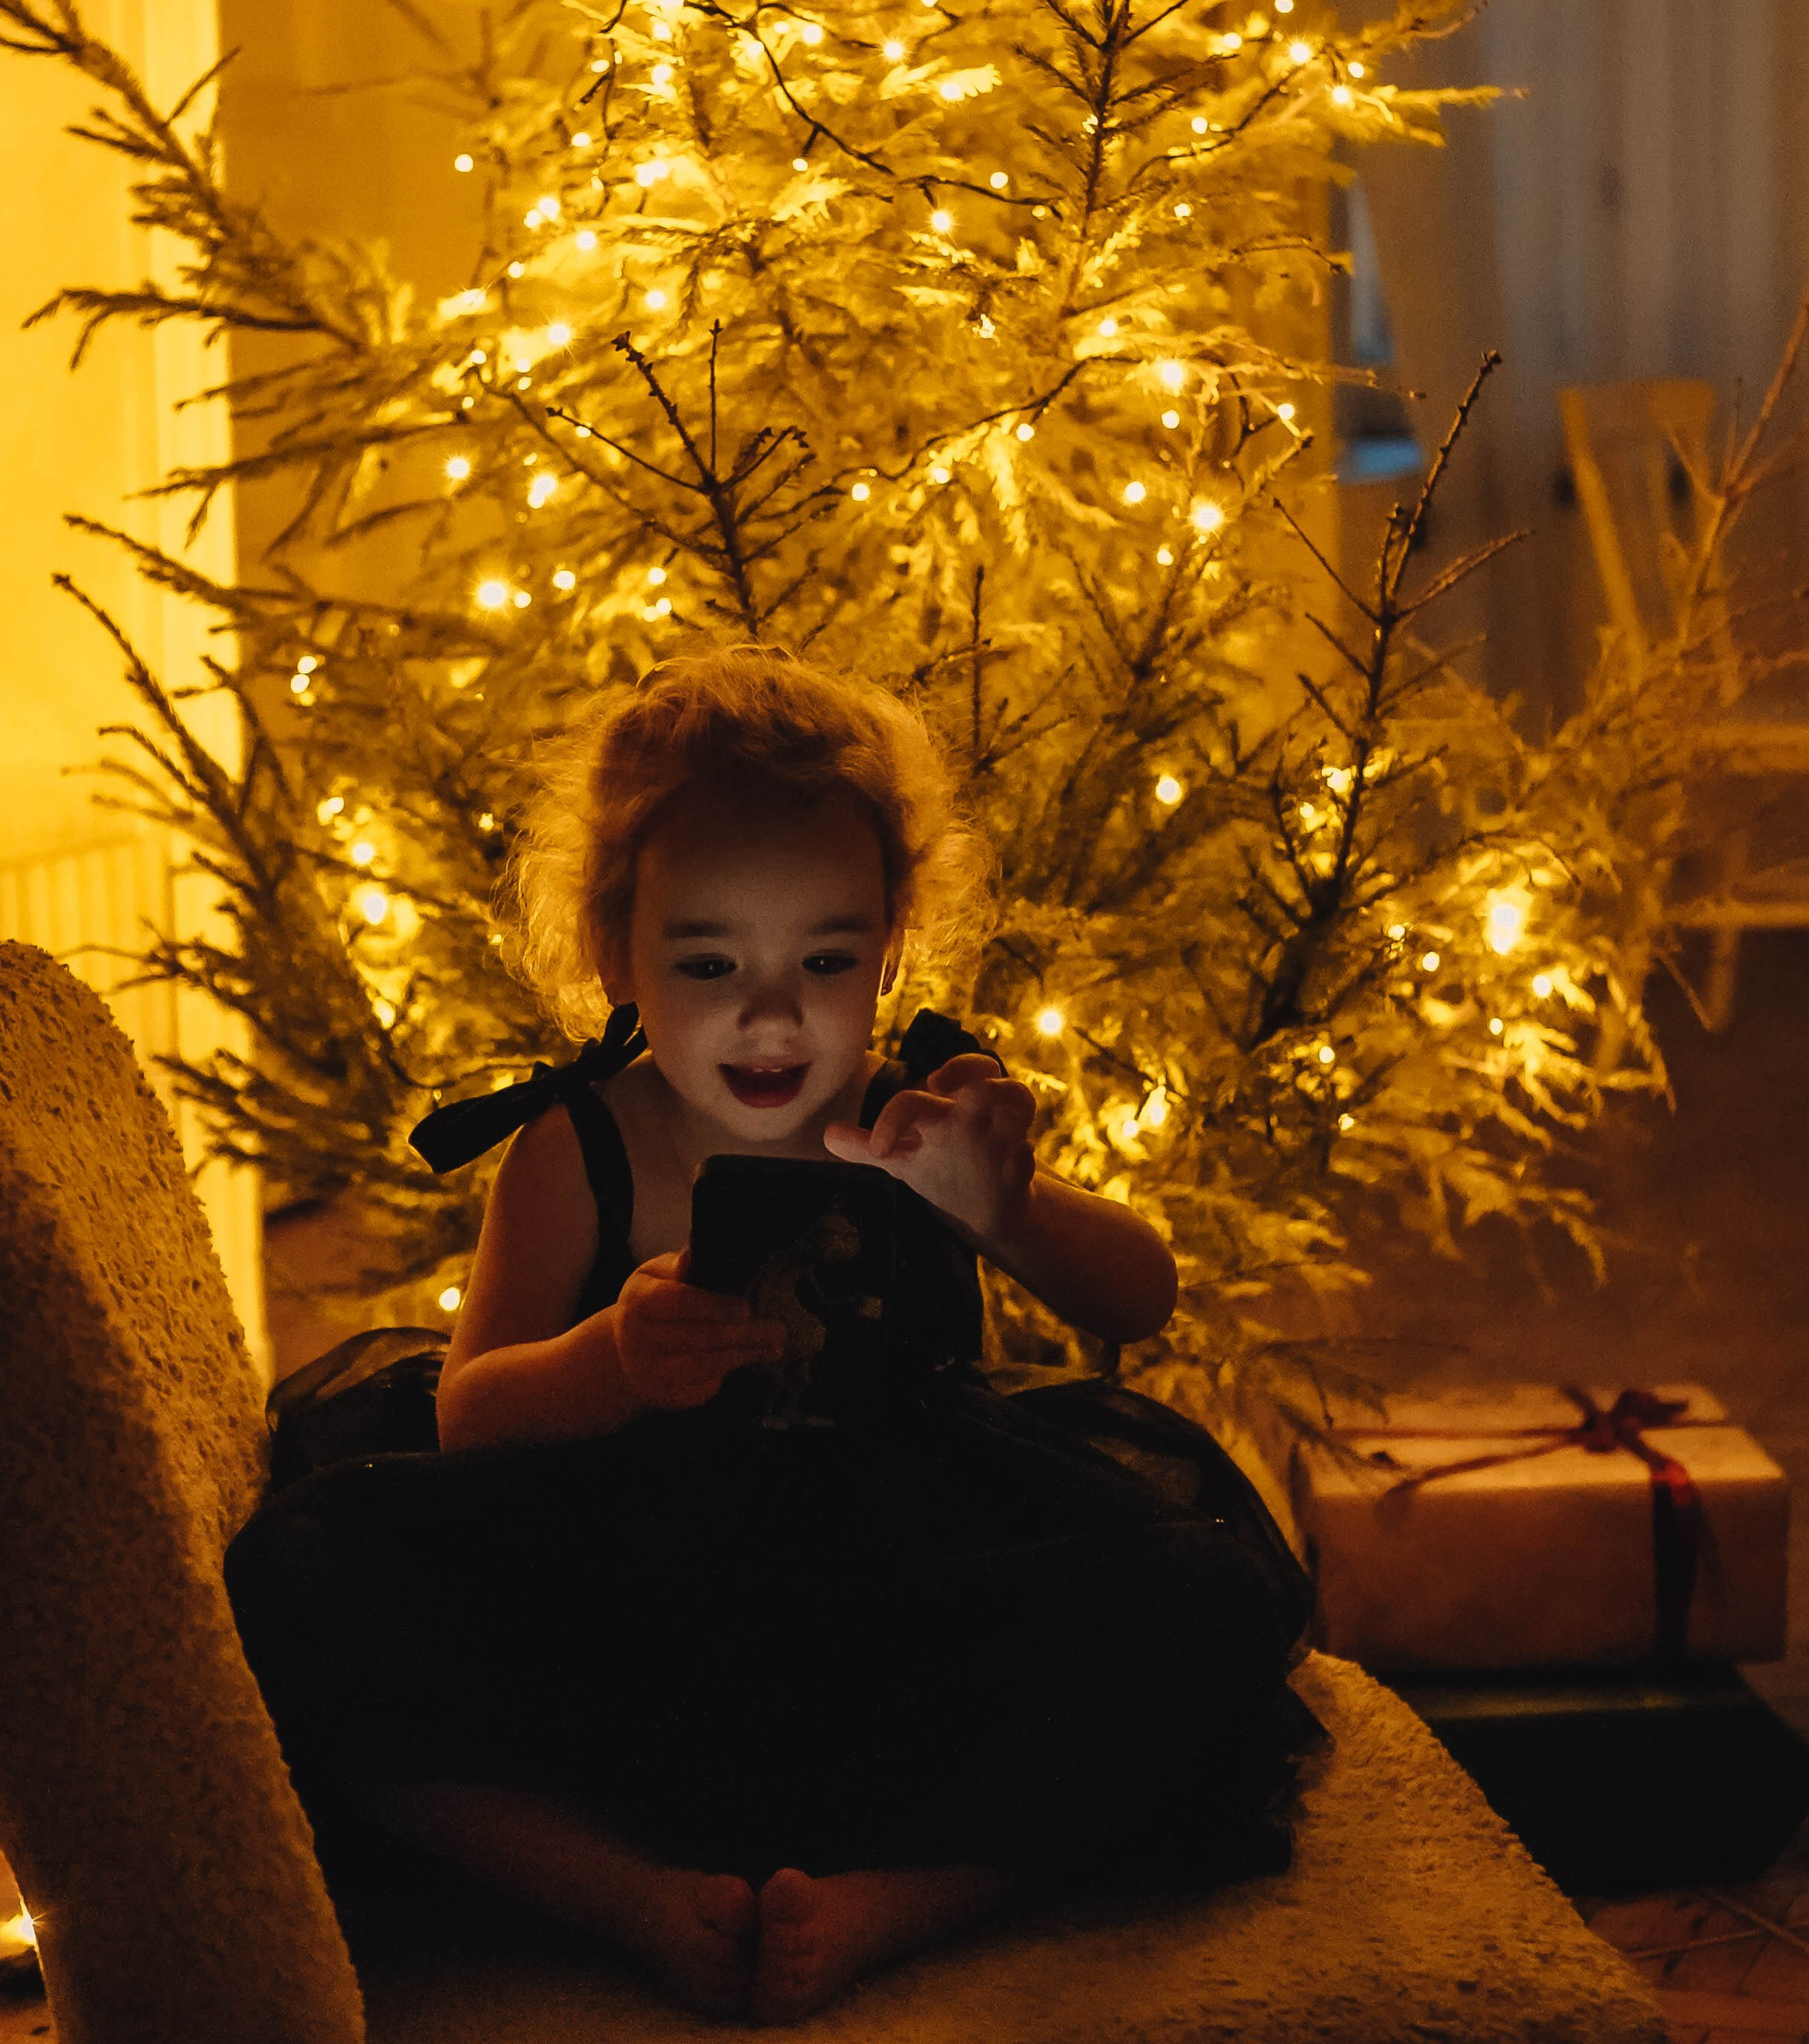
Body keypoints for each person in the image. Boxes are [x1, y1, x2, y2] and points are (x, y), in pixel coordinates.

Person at [226, 647, 1317, 2025]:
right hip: (618, 1594)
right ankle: (621, 1896)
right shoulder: (580, 1147)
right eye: (708, 961)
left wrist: (1013, 1207)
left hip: (907, 1580)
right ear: (614, 952)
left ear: (892, 945)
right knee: (289, 1589)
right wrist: (609, 1362)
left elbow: (1138, 1299)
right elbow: (467, 1411)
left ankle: (905, 1900)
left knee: (1206, 1608)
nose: (772, 1012)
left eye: (826, 958)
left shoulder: (919, 1116)